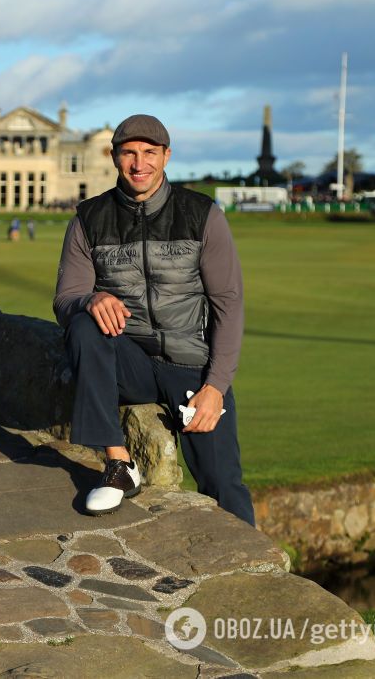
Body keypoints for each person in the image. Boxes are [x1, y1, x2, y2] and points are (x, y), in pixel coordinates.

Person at [53, 114, 254, 525]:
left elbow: (228, 305)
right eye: (129, 153)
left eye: (149, 152)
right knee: (83, 323)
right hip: (131, 362)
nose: (139, 163)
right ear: (114, 157)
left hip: (191, 366)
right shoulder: (89, 219)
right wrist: (91, 299)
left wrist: (216, 387)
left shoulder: (202, 214)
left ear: (166, 156)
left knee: (223, 483)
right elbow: (66, 299)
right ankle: (119, 464)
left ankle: (260, 578)